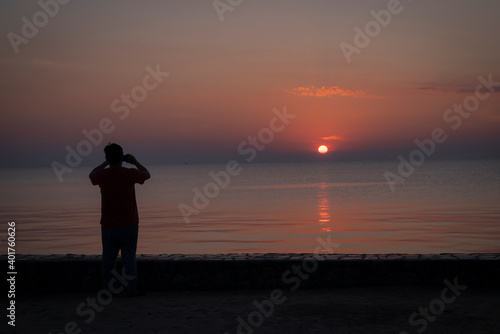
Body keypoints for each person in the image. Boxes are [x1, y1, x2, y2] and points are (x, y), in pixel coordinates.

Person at [89, 143, 150, 297]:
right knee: (129, 258)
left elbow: (92, 175)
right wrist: (135, 162)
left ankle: (108, 290)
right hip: (129, 223)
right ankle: (131, 290)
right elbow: (146, 174)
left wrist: (106, 163)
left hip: (108, 225)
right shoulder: (129, 173)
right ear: (122, 157)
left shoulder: (102, 175)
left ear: (107, 158)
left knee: (108, 259)